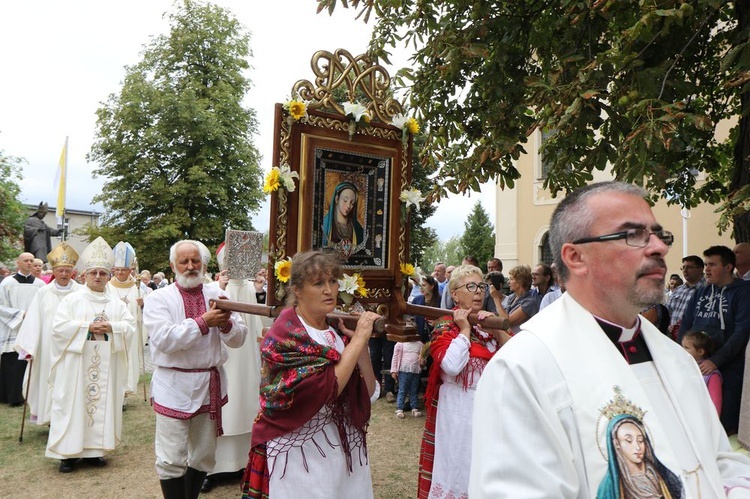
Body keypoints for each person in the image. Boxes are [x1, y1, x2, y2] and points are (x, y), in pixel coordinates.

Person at [469, 181, 750, 498]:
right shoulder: (524, 370)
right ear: (576, 257)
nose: (659, 247)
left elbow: (718, 462)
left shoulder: (677, 359)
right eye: (633, 235)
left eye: (659, 235)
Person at [240, 251, 380, 498]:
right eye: (318, 283)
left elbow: (367, 391)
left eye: (333, 281)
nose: (329, 290)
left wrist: (361, 346)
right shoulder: (285, 335)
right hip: (299, 453)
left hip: (342, 444)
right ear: (298, 290)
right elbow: (325, 390)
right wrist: (358, 339)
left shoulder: (336, 332)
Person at [143, 239, 248, 499]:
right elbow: (164, 340)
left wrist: (224, 326)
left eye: (195, 261)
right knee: (171, 455)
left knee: (203, 454)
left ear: (203, 263)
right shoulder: (159, 298)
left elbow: (239, 338)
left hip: (208, 384)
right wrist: (203, 322)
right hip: (173, 384)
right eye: (184, 261)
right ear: (173, 266)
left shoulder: (219, 295)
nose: (190, 266)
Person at [418, 264, 508, 499]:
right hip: (459, 412)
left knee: (488, 469)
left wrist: (496, 329)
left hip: (491, 410)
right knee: (460, 467)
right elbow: (452, 365)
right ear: (455, 293)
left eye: (481, 286)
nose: (478, 291)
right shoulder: (445, 326)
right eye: (471, 286)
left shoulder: (490, 325)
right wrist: (465, 329)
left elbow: (518, 358)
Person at [47, 236, 135, 473]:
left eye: (103, 273)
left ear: (109, 276)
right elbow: (58, 328)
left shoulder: (117, 303)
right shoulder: (72, 300)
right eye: (93, 272)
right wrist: (86, 327)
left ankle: (95, 451)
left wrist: (112, 328)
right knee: (73, 405)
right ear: (84, 275)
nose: (98, 276)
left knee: (101, 404)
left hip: (106, 365)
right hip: (76, 364)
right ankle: (67, 454)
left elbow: (130, 326)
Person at [201, 244, 263, 493]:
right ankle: (212, 469)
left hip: (247, 359)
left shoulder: (250, 287)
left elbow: (264, 319)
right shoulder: (213, 288)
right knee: (223, 411)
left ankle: (242, 463)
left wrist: (259, 292)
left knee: (245, 407)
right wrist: (221, 289)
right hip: (224, 359)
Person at [678, 245, 750, 434]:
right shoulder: (700, 292)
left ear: (728, 267)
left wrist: (715, 361)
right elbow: (685, 324)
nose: (706, 269)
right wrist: (682, 353)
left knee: (723, 423)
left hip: (728, 368)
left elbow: (742, 332)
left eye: (712, 264)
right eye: (706, 264)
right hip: (695, 364)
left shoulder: (743, 292)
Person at [14, 242, 81, 425]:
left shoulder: (82, 293)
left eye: (68, 270)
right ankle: (51, 419)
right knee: (48, 381)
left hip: (74, 348)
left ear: (73, 271)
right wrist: (28, 347)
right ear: (53, 271)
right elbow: (33, 321)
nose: (64, 274)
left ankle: (72, 421)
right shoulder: (43, 293)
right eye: (60, 270)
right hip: (47, 349)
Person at [597, 414, 683, 498]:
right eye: (629, 440)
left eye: (640, 440)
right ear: (616, 444)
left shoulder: (659, 474)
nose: (638, 447)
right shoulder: (609, 486)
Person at [0, 252, 45, 406]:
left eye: (31, 261)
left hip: (33, 328)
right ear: (18, 263)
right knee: (13, 363)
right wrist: (20, 315)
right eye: (25, 260)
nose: (28, 263)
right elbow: (0, 306)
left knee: (29, 362)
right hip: (13, 328)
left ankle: (28, 395)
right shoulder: (7, 283)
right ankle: (11, 396)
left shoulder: (40, 285)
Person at [108, 241, 143, 396]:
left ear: (130, 270)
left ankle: (126, 392)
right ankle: (114, 390)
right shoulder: (107, 287)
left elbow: (145, 314)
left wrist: (143, 306)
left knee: (130, 359)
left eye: (124, 270)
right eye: (118, 270)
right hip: (114, 330)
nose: (120, 273)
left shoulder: (138, 287)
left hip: (132, 331)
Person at [682, 330, 722, 415]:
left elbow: (716, 402)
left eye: (686, 347)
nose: (682, 350)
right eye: (682, 346)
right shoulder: (681, 368)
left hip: (701, 418)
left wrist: (713, 423)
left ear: (700, 352)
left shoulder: (711, 375)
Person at [666, 254, 705, 339]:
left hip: (693, 339)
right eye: (683, 267)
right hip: (671, 337)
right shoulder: (678, 290)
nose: (685, 270)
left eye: (689, 267)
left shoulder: (706, 290)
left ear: (700, 269)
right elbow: (668, 312)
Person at [321, 181, 365, 253]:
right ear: (337, 199)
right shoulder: (326, 224)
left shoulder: (357, 229)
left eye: (352, 203)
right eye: (345, 200)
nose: (348, 206)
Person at [496, 264, 539, 335]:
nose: (508, 282)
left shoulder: (529, 302)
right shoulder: (511, 297)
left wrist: (496, 298)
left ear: (520, 281)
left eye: (511, 279)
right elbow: (499, 314)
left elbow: (507, 322)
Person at [391, 337, 424, 419]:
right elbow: (395, 357)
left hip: (415, 370)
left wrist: (423, 361)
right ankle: (399, 409)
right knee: (402, 389)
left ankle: (414, 408)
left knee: (414, 389)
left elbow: (423, 358)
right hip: (404, 370)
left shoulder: (420, 344)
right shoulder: (400, 344)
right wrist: (394, 370)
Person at [412, 275, 441, 342]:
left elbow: (447, 318)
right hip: (418, 337)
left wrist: (438, 323)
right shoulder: (417, 300)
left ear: (432, 286)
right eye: (420, 286)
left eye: (424, 285)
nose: (421, 288)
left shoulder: (440, 300)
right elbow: (411, 316)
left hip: (435, 337)